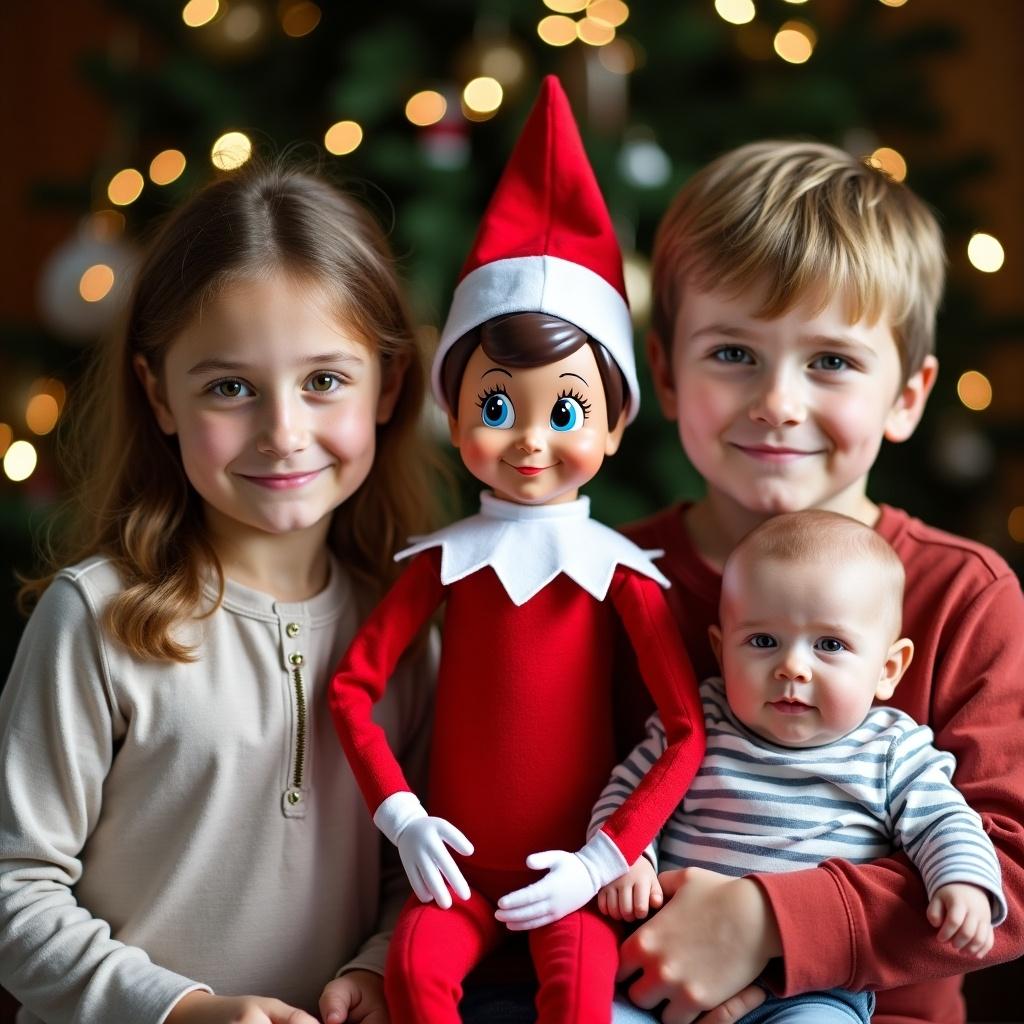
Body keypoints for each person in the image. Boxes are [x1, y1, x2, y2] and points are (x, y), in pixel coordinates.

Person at [0, 163, 440, 1024]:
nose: (283, 433)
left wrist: (383, 964)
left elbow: (413, 869)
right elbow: (14, 889)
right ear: (160, 394)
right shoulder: (95, 619)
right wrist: (181, 1010)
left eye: (324, 380)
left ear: (387, 387)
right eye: (230, 387)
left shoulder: (407, 627)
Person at [611, 140, 1024, 1024]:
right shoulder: (607, 579)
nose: (779, 403)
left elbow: (1010, 872)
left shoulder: (967, 594)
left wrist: (766, 923)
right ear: (668, 373)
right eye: (732, 353)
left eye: (831, 361)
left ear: (907, 395)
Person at [328, 76, 705, 1024]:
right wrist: (402, 817)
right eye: (497, 407)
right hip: (449, 873)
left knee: (579, 997)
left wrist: (605, 857)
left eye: (567, 411)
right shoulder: (439, 563)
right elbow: (351, 691)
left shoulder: (625, 575)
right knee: (417, 982)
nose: (532, 440)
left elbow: (684, 731)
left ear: (615, 425)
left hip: (569, 877)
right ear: (454, 416)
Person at [595, 510, 1006, 1024]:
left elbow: (944, 822)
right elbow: (630, 793)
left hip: (813, 988)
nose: (792, 666)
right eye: (763, 641)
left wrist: (962, 882)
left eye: (829, 645)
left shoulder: (891, 749)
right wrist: (630, 858)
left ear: (888, 669)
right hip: (667, 966)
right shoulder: (696, 723)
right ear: (722, 652)